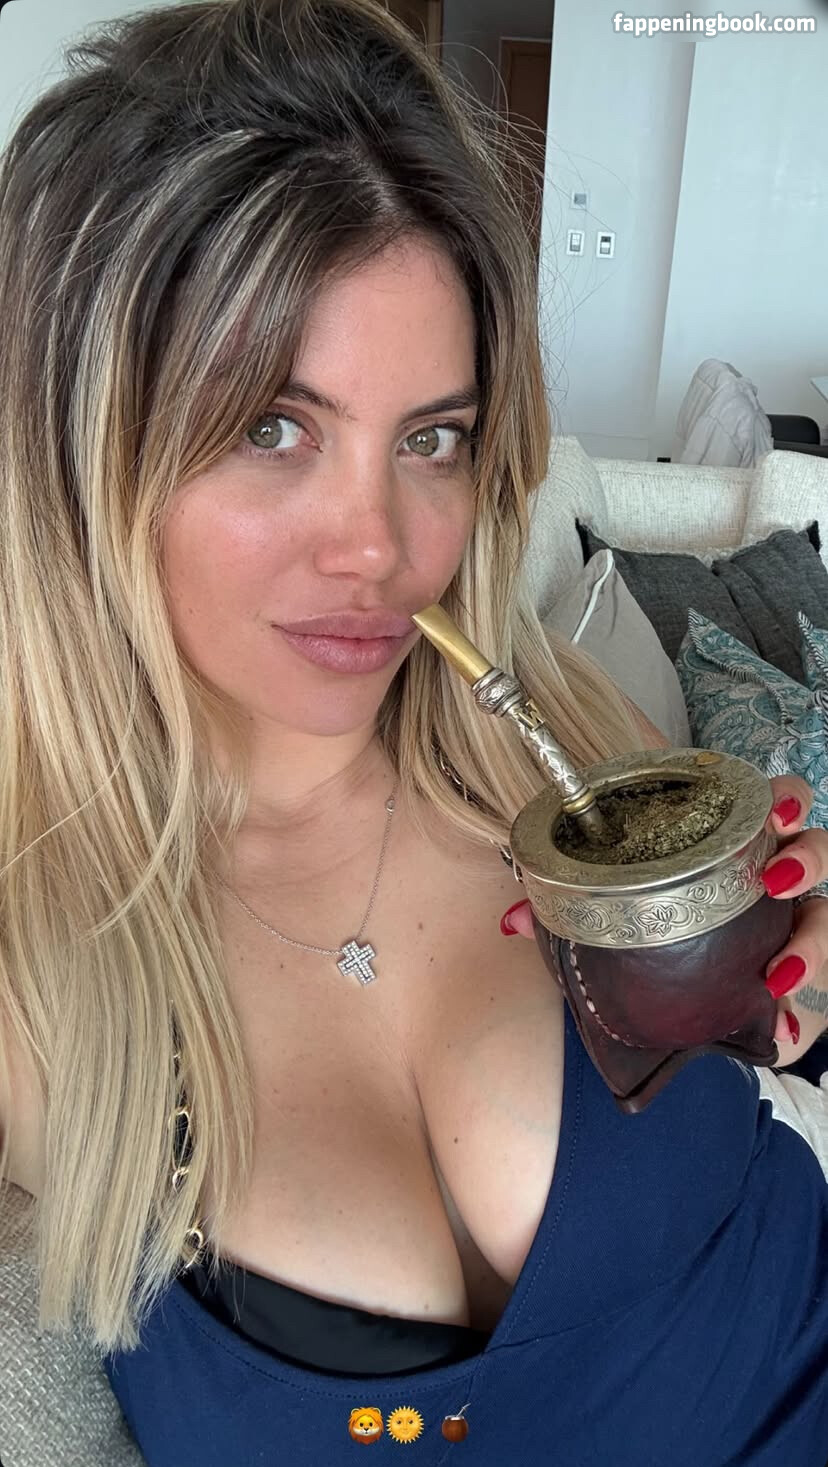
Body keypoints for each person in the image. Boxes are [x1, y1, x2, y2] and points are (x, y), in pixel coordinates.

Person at [0, 1, 826, 1463]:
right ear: (78, 453)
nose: (381, 549)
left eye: (432, 439)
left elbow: (773, 1046)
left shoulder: (567, 763)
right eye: (270, 426)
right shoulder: (33, 941)